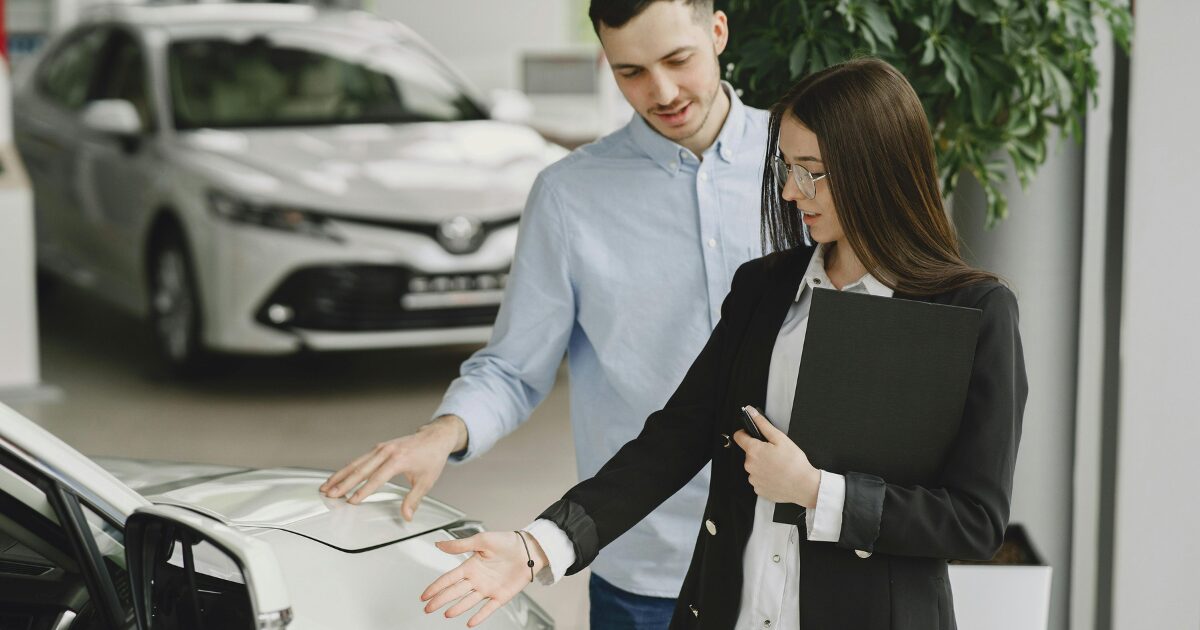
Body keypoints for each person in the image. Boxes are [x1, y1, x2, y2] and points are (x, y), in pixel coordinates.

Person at [419, 57, 1029, 630]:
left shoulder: (972, 313)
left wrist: (817, 492)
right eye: (786, 169)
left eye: (810, 171)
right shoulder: (765, 289)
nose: (791, 193)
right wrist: (538, 547)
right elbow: (676, 437)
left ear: (877, 168)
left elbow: (973, 521)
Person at [320, 1, 770, 626]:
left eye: (678, 59)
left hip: (792, 551)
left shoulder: (803, 165)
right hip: (642, 558)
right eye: (631, 71)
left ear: (717, 32)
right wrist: (442, 432)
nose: (661, 91)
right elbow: (513, 367)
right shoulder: (569, 195)